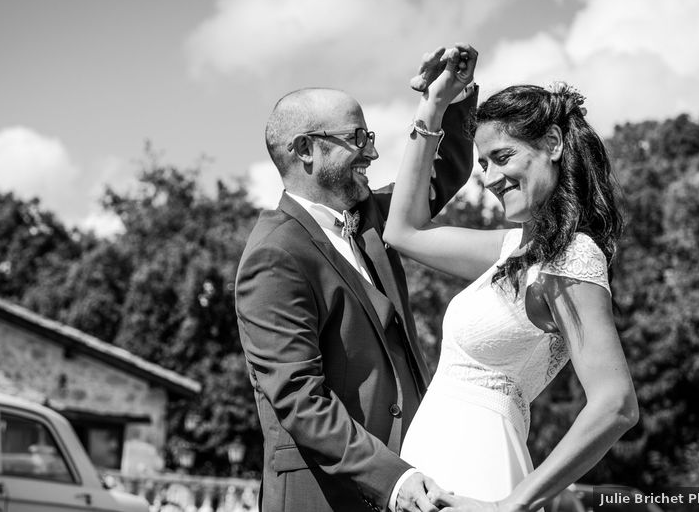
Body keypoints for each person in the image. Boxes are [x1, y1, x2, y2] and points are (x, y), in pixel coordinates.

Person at [384, 44, 639, 512]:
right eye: (482, 164)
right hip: (431, 465)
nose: (489, 176)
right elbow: (403, 230)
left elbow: (616, 403)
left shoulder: (572, 256)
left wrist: (511, 504)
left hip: (477, 474)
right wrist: (434, 105)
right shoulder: (512, 252)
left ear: (555, 146)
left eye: (502, 156)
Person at [234, 74, 478, 512]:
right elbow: (298, 397)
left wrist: (451, 96)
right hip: (325, 498)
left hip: (413, 480)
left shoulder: (374, 217)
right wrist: (395, 478)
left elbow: (441, 173)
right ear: (306, 149)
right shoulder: (274, 254)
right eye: (357, 137)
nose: (373, 150)